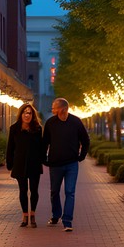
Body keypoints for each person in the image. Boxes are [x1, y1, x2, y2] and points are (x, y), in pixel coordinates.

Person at [42, 97, 90, 232]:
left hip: (71, 164)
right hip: (55, 164)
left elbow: (85, 140)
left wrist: (82, 156)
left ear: (62, 109)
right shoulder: (50, 123)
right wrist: (44, 158)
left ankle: (67, 220)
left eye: (54, 107)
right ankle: (56, 215)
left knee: (70, 192)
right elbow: (45, 142)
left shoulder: (76, 122)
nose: (52, 110)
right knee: (54, 191)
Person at [5, 103, 45, 228]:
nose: (27, 115)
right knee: (22, 190)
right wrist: (9, 163)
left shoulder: (37, 129)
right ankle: (25, 215)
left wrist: (43, 160)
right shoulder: (14, 129)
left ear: (32, 115)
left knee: (34, 190)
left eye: (29, 113)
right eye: (25, 112)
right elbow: (10, 147)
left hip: (34, 163)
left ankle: (32, 214)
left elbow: (42, 148)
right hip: (20, 163)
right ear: (21, 114)